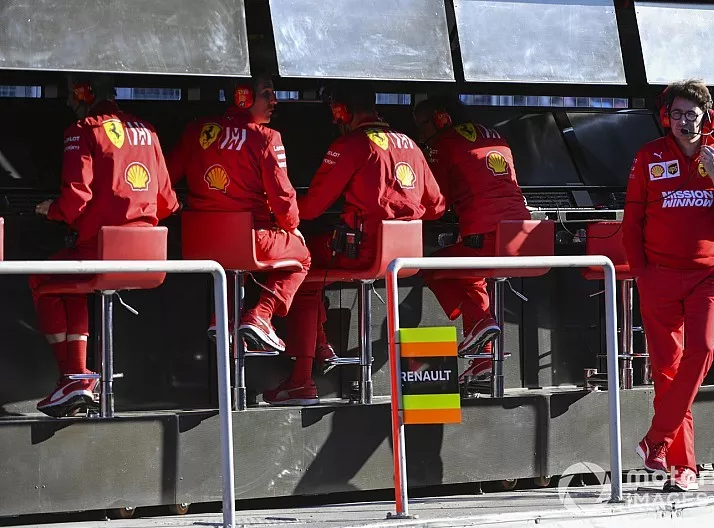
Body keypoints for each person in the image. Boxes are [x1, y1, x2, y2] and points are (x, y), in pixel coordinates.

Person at [273, 83, 447, 405]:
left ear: (342, 111)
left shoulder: (351, 144)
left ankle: (302, 379)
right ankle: (320, 344)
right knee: (311, 264)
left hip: (361, 254)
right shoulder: (409, 142)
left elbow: (310, 209)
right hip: (406, 258)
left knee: (299, 265)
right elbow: (437, 206)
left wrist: (274, 204)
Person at [623, 79, 714, 492]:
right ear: (667, 117)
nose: (683, 121)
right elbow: (631, 225)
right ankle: (683, 469)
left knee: (704, 350)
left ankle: (656, 439)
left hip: (707, 276)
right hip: (657, 277)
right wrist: (642, 274)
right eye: (676, 114)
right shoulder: (649, 156)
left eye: (691, 114)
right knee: (667, 375)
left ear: (707, 116)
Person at [31, 75, 180, 417]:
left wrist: (50, 209)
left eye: (71, 92)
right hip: (149, 258)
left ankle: (72, 376)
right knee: (70, 286)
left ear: (86, 93)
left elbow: (75, 202)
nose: (69, 101)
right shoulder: (149, 130)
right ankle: (78, 377)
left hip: (101, 253)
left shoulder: (81, 129)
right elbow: (168, 202)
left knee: (42, 281)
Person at [168, 74, 310, 353]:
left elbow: (163, 179)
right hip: (249, 242)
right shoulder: (267, 138)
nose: (274, 100)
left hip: (200, 242)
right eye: (267, 93)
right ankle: (262, 316)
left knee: (236, 262)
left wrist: (177, 206)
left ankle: (222, 318)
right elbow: (283, 201)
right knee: (303, 255)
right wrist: (291, 227)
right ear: (242, 96)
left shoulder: (196, 130)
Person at [413, 94, 530, 384]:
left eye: (423, 125)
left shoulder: (442, 142)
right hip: (525, 237)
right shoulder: (495, 134)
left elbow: (438, 202)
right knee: (471, 278)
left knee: (432, 267)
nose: (422, 134)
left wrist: (409, 208)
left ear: (440, 119)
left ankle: (480, 322)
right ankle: (483, 360)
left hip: (486, 238)